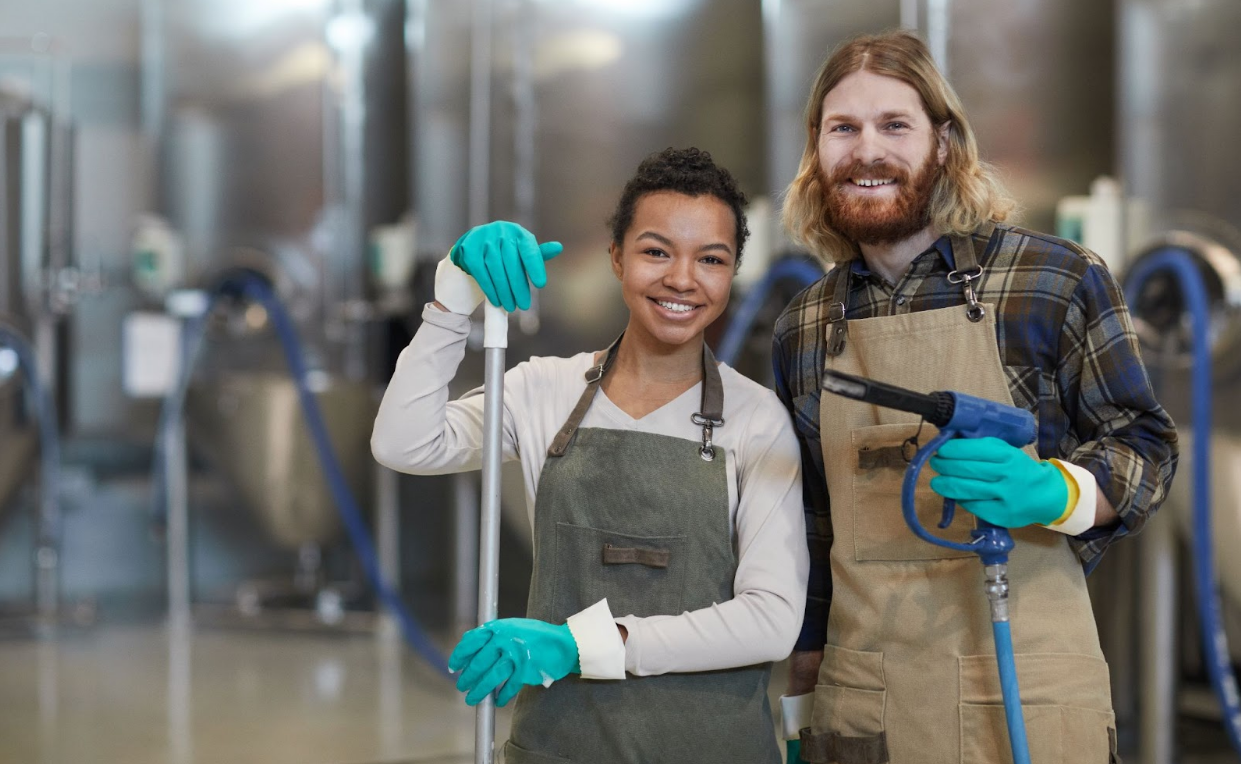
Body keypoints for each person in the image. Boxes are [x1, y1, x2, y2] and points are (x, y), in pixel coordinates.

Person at [771, 31, 1178, 764]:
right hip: (867, 704)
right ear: (816, 150)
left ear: (944, 142)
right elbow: (811, 529)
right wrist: (800, 698)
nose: (867, 151)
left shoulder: (1053, 281)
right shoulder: (805, 324)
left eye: (894, 125)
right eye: (843, 129)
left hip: (1023, 689)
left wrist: (1057, 492)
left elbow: (1144, 446)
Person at [371, 147, 808, 763]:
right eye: (656, 251)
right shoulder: (542, 390)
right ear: (616, 257)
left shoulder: (757, 419)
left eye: (711, 259)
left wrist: (577, 646)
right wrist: (452, 298)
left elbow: (770, 620)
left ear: (731, 273)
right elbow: (402, 442)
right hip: (558, 746)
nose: (682, 279)